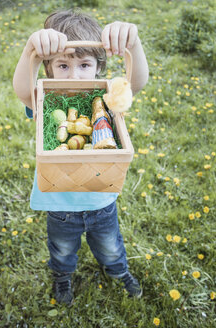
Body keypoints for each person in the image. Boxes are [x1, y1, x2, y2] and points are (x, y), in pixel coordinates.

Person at [13, 9, 148, 305]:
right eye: (62, 65)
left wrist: (133, 44)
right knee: (61, 250)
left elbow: (135, 83)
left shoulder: (108, 96)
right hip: (60, 205)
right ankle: (62, 277)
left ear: (98, 66)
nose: (74, 75)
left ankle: (118, 271)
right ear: (48, 69)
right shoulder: (46, 100)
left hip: (101, 202)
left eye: (84, 64)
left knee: (110, 247)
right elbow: (23, 90)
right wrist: (30, 50)